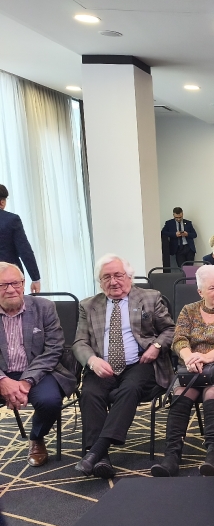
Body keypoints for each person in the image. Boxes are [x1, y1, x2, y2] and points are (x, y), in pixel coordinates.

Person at [72, 254, 175, 478]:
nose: (113, 281)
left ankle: (95, 451)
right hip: (103, 365)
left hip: (140, 362)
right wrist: (92, 361)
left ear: (129, 277)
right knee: (89, 393)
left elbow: (170, 330)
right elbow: (79, 342)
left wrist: (156, 346)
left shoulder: (150, 297)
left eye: (118, 275)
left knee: (130, 389)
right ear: (100, 282)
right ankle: (102, 459)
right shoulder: (88, 305)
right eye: (106, 277)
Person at [151, 265, 214, 477]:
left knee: (212, 394)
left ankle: (213, 456)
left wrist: (206, 357)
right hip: (192, 366)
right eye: (212, 288)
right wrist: (189, 357)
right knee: (181, 394)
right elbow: (179, 339)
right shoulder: (189, 310)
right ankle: (171, 456)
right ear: (200, 291)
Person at [0, 263, 76, 467]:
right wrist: (3, 380)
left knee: (50, 401)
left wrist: (26, 381)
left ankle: (37, 437)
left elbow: (54, 348)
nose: (10, 289)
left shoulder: (44, 307)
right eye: (3, 285)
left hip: (38, 370)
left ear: (23, 283)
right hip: (2, 372)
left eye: (15, 283)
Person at [0, 185, 41, 294]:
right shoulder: (11, 220)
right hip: (9, 279)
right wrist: (35, 278)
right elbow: (25, 251)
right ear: (2, 202)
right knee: (13, 305)